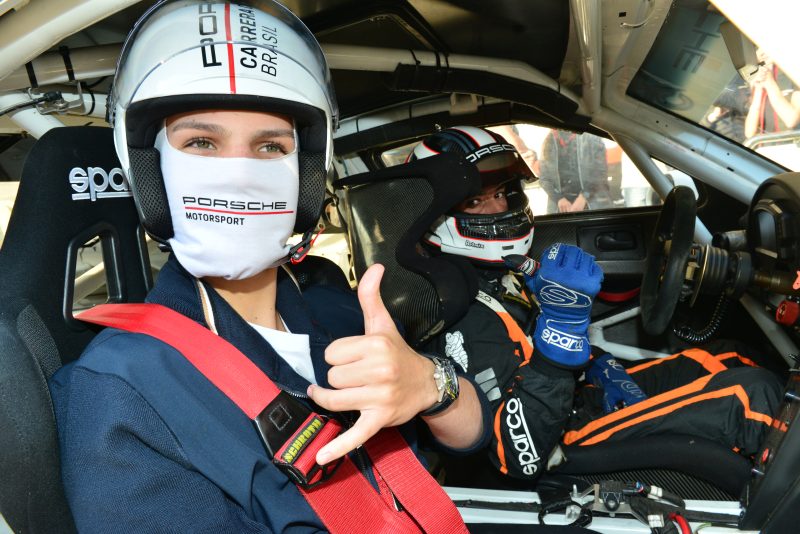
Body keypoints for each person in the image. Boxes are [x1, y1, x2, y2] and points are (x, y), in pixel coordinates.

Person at [48, 2, 490, 532]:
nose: (236, 175)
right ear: (151, 174)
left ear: (306, 177)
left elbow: (471, 436)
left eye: (269, 146)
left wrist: (431, 383)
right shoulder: (124, 389)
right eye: (202, 143)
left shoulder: (334, 304)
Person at [411, 126, 782, 484]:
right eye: (476, 201)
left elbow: (529, 348)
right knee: (752, 398)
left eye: (503, 193)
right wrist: (561, 335)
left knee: (734, 356)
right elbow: (515, 453)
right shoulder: (454, 312)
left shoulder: (491, 272)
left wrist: (600, 364)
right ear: (436, 215)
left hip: (573, 397)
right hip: (558, 438)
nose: (498, 207)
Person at [539, 129, 612, 214]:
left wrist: (584, 197)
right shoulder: (549, 141)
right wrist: (559, 199)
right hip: (561, 210)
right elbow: (544, 178)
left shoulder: (591, 138)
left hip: (594, 205)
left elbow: (600, 172)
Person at [744, 48, 800, 140]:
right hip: (767, 147)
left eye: (765, 45)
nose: (762, 52)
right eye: (757, 48)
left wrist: (769, 83)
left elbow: (791, 120)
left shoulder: (793, 73)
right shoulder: (756, 80)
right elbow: (749, 132)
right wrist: (758, 90)